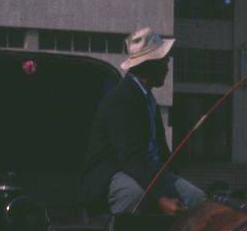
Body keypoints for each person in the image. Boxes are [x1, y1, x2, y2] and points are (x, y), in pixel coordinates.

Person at [77, 27, 205, 217]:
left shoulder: (149, 99)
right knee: (133, 196)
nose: (168, 63)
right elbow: (131, 159)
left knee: (197, 199)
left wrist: (175, 179)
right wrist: (162, 199)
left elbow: (161, 151)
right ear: (149, 65)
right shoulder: (120, 100)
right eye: (163, 58)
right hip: (115, 170)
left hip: (147, 168)